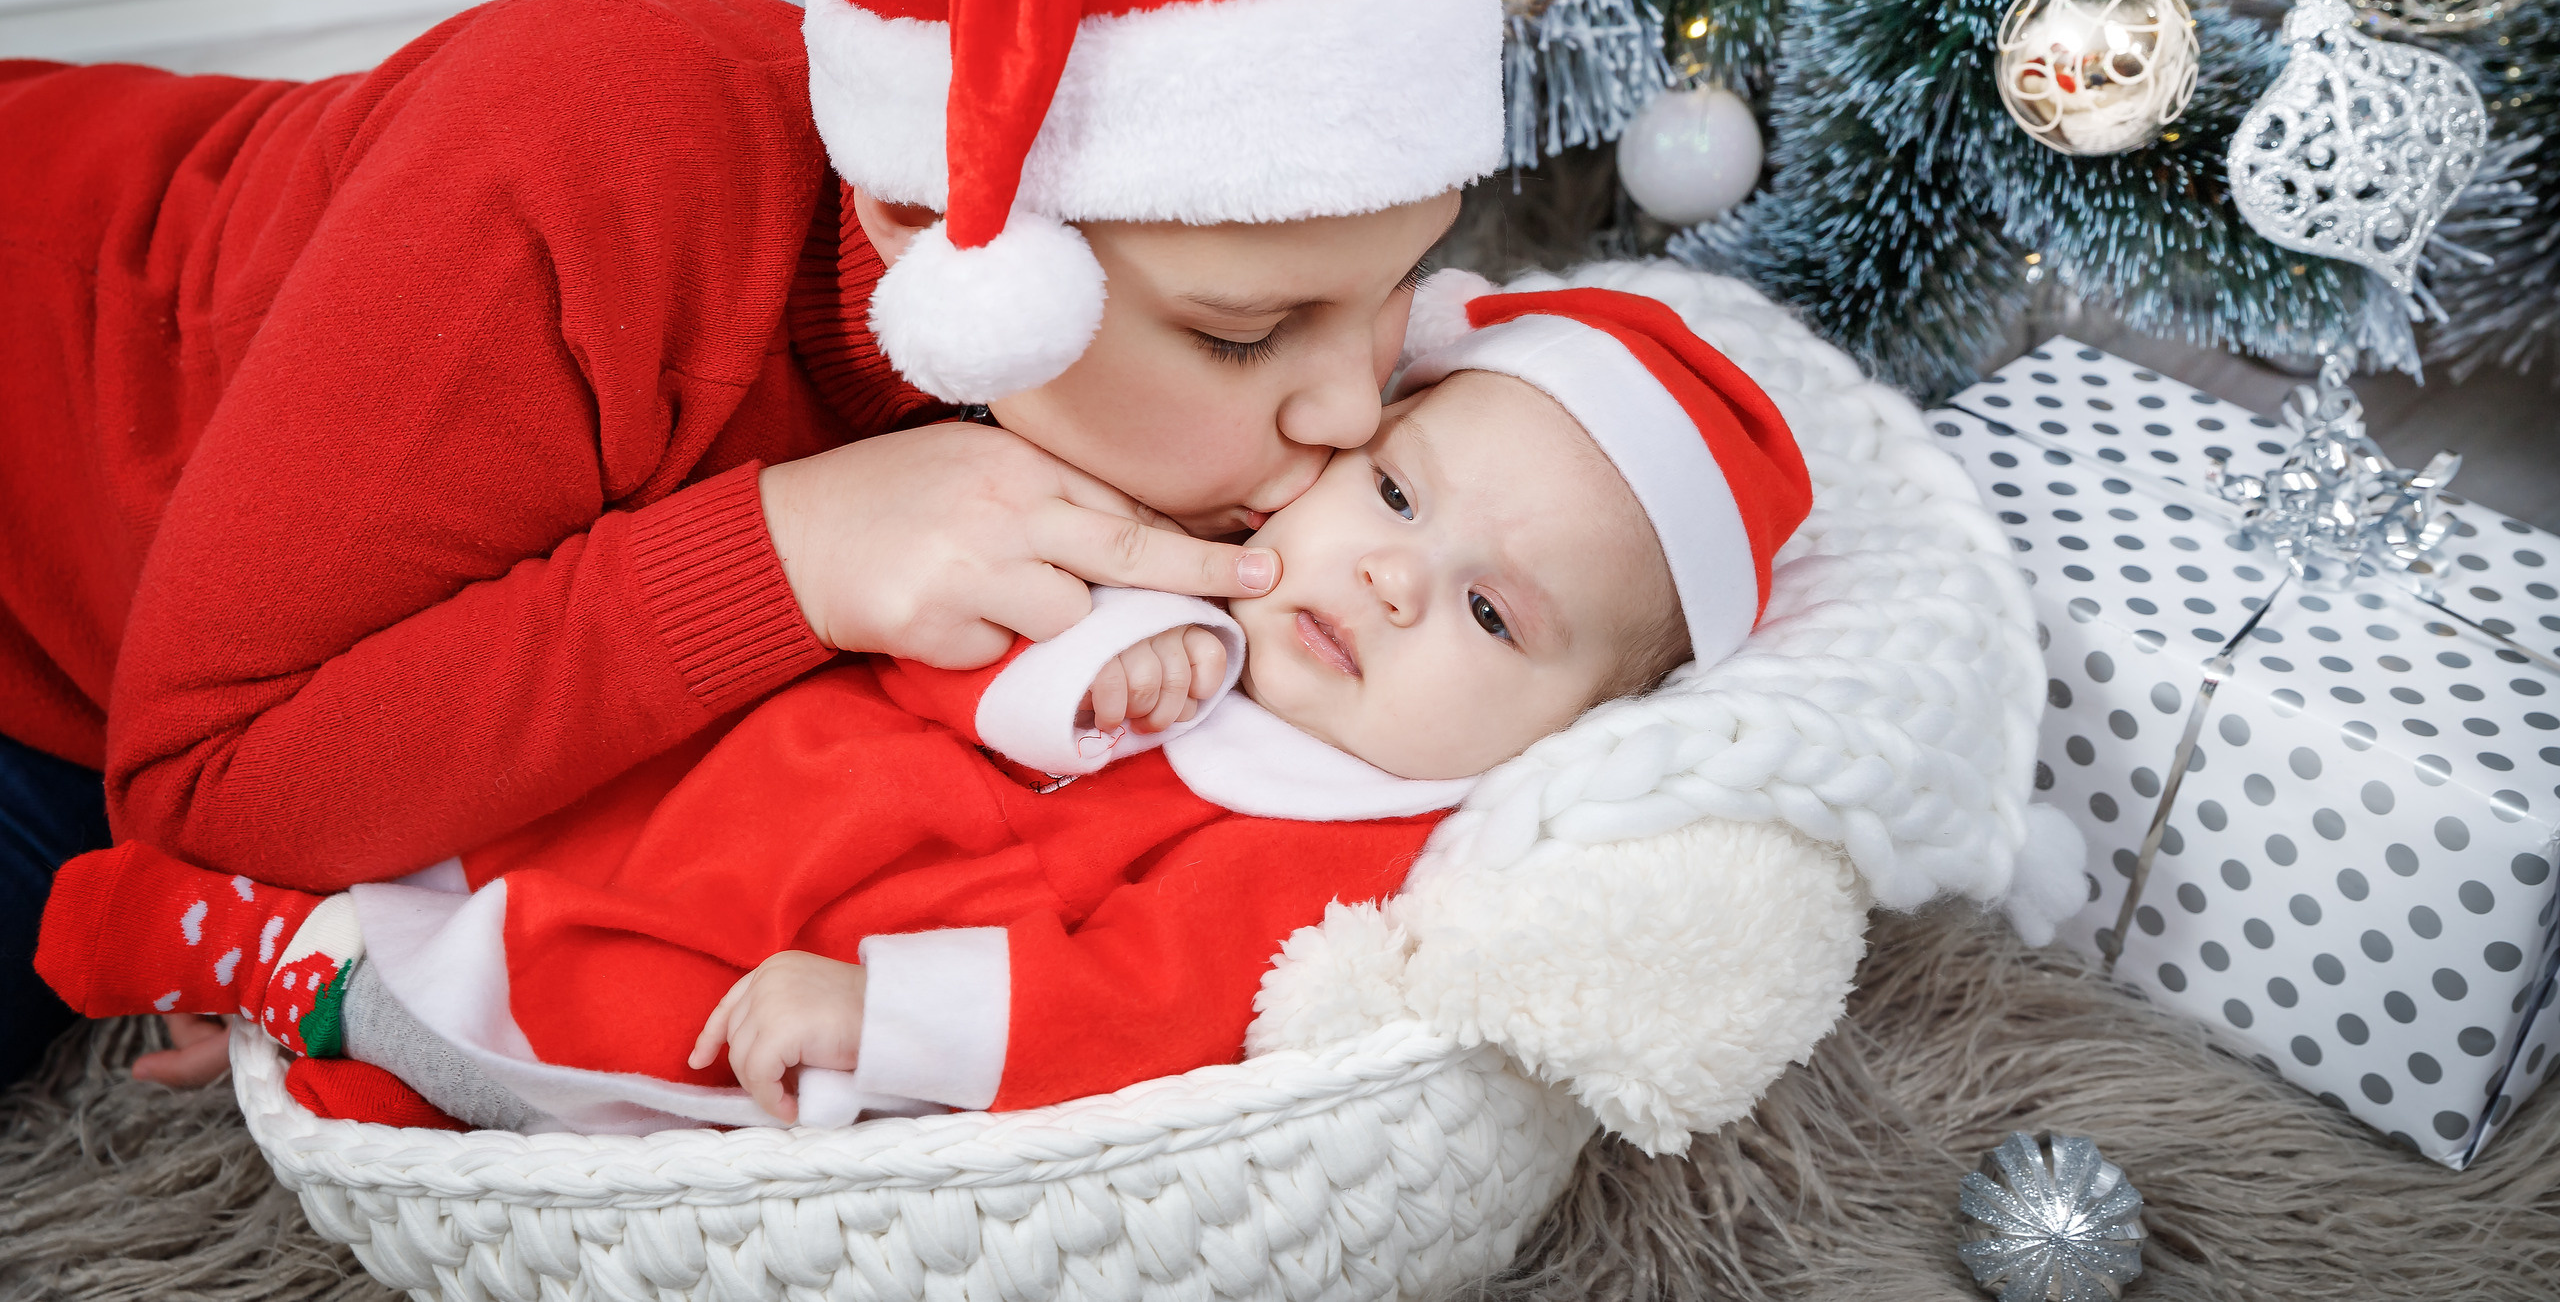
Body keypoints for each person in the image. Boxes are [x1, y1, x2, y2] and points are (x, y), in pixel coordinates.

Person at [0, 0, 1504, 1089]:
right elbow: (196, 790)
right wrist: (786, 553)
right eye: (1247, 339)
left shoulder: (1144, 319)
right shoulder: (580, 169)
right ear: (932, 227)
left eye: (1392, 297)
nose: (1352, 415)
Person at [40, 288, 1813, 1130]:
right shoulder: (1192, 535)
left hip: (808, 947)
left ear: (1571, 723)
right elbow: (912, 614)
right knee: (506, 826)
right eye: (1402, 502)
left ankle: (296, 972)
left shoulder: (1360, 835)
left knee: (590, 1017)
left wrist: (895, 1019)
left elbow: (1154, 1002)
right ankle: (278, 911)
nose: (1393, 585)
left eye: (1494, 615)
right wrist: (1069, 676)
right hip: (748, 773)